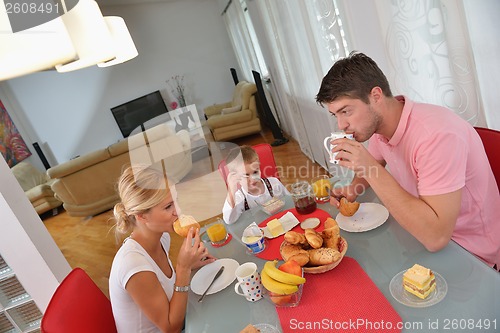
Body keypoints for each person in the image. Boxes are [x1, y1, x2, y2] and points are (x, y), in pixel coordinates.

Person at [316, 51, 500, 269]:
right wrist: (353, 188)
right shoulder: (381, 126)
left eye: (346, 111)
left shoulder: (436, 136)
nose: (341, 125)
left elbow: (436, 238)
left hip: (470, 252)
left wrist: (369, 167)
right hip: (418, 234)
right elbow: (374, 161)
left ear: (375, 96)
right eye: (335, 115)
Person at [109, 164, 216, 332]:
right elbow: (171, 328)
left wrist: (190, 266)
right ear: (142, 216)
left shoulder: (162, 237)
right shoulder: (133, 265)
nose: (178, 211)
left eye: (176, 201)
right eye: (168, 207)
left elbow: (161, 286)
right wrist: (183, 268)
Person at [222, 145, 289, 224]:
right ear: (236, 178)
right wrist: (231, 190)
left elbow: (290, 200)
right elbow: (229, 220)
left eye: (255, 172)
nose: (253, 179)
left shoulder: (274, 183)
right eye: (246, 175)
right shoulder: (239, 197)